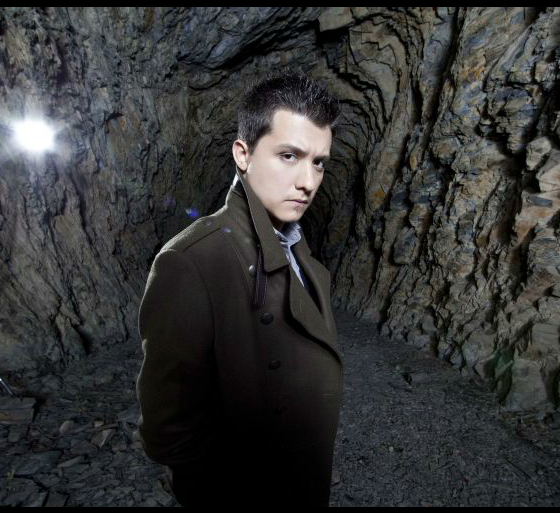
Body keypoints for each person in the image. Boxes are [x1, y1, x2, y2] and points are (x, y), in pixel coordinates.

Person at [136, 69, 344, 507]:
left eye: (318, 162)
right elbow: (167, 430)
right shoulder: (191, 261)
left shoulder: (299, 252)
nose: (308, 182)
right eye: (289, 155)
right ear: (243, 154)